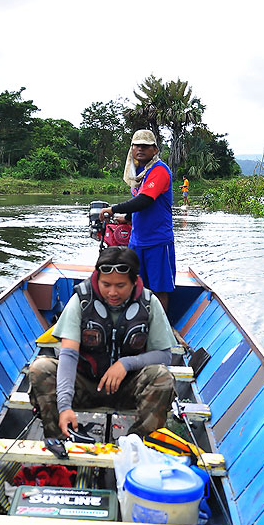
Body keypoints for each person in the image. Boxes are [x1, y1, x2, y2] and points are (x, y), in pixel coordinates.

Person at [29, 246, 176, 440]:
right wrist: (64, 406)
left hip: (129, 389)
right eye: (106, 284)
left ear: (134, 282)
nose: (112, 292)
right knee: (40, 368)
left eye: (120, 285)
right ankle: (59, 439)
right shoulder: (80, 301)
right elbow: (68, 355)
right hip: (84, 386)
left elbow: (165, 355)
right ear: (97, 279)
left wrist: (125, 364)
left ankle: (139, 443)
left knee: (162, 377)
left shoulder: (150, 303)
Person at [99, 129, 175, 312]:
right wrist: (125, 217)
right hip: (137, 241)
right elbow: (140, 206)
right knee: (135, 286)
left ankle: (160, 329)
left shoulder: (159, 171)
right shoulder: (140, 173)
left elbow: (145, 200)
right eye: (137, 145)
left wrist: (113, 209)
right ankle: (137, 324)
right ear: (132, 149)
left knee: (159, 289)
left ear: (155, 150)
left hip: (157, 241)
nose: (140, 149)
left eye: (145, 146)